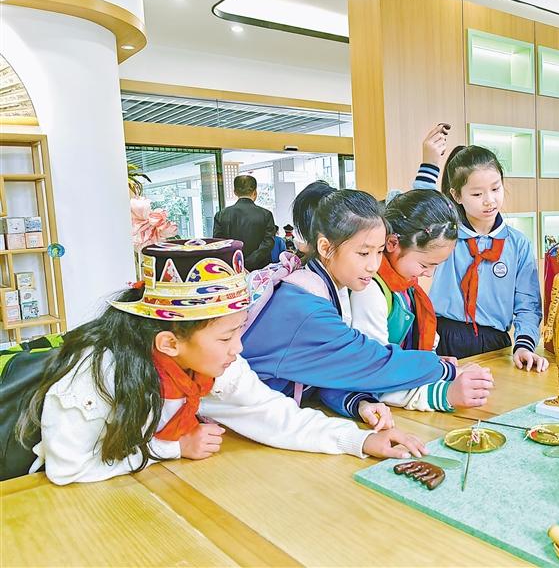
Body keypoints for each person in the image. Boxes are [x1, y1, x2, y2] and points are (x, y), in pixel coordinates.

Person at [14, 239, 427, 485]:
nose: (238, 348)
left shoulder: (211, 367)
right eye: (227, 337)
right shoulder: (100, 372)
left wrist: (358, 441)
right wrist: (174, 447)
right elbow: (68, 468)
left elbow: (273, 415)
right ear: (169, 343)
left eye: (239, 331)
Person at [240, 189, 494, 429]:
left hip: (271, 414)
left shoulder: (326, 288)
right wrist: (446, 370)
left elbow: (328, 369)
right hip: (245, 418)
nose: (373, 265)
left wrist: (357, 402)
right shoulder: (306, 306)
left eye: (379, 252)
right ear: (325, 248)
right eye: (363, 253)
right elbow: (369, 361)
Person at [414, 144, 549, 371]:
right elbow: (416, 214)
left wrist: (524, 345)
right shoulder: (446, 235)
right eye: (477, 194)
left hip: (495, 343)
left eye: (496, 189)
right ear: (456, 195)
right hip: (443, 339)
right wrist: (429, 163)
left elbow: (528, 304)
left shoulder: (518, 244)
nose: (489, 200)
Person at [338, 189, 461, 411]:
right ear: (393, 243)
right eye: (425, 265)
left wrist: (434, 364)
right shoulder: (370, 290)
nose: (429, 274)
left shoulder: (405, 285)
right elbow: (374, 370)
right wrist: (440, 392)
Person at [213, 175, 275, 270]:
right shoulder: (266, 214)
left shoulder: (221, 215)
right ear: (255, 192)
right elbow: (269, 242)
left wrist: (238, 262)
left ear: (235, 192)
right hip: (260, 269)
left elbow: (219, 244)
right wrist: (250, 262)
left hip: (232, 268)